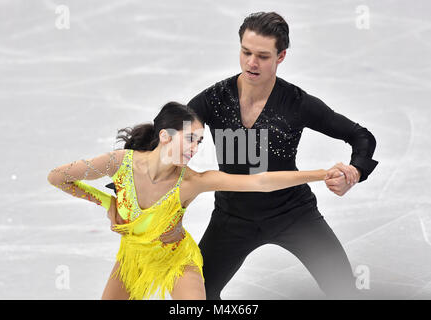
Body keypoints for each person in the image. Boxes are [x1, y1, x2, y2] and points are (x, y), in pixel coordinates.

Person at [47, 101, 337, 300]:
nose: (196, 148)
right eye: (190, 139)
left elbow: (260, 182)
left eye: (199, 141)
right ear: (165, 136)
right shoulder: (120, 163)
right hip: (132, 257)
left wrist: (322, 174)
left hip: (176, 260)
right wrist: (108, 203)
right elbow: (58, 177)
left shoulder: (191, 182)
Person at [184, 12, 379, 299]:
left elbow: (362, 136)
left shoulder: (296, 103)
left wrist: (355, 172)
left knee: (344, 291)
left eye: (263, 56)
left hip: (292, 213)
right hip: (232, 216)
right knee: (196, 296)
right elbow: (168, 142)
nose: (252, 62)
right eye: (246, 52)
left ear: (281, 56)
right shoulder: (213, 99)